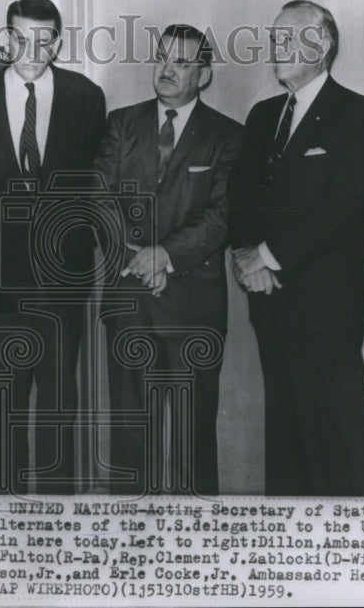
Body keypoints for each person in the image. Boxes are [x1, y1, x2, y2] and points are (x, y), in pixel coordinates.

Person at [227, 0, 364, 496]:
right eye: (274, 38)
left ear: (324, 46)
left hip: (326, 307)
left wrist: (266, 258)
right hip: (269, 301)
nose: (277, 48)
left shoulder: (358, 114)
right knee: (286, 435)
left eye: (291, 38)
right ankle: (291, 552)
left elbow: (343, 208)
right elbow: (240, 196)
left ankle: (360, 544)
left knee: (338, 433)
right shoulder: (263, 114)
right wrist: (244, 255)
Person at [0, 0, 106, 494]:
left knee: (58, 399)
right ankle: (7, 512)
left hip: (62, 276)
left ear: (58, 43)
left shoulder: (85, 96)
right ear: (6, 39)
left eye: (44, 40)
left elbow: (93, 184)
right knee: (5, 399)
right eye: (20, 38)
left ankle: (57, 517)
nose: (31, 50)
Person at [95, 24, 241, 495]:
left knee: (192, 438)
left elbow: (224, 215)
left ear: (204, 74)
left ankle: (199, 547)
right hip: (129, 301)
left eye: (181, 62)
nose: (167, 69)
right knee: (129, 434)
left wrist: (164, 256)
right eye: (162, 57)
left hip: (192, 307)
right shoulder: (122, 123)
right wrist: (133, 258)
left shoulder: (227, 136)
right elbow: (98, 196)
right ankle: (128, 545)